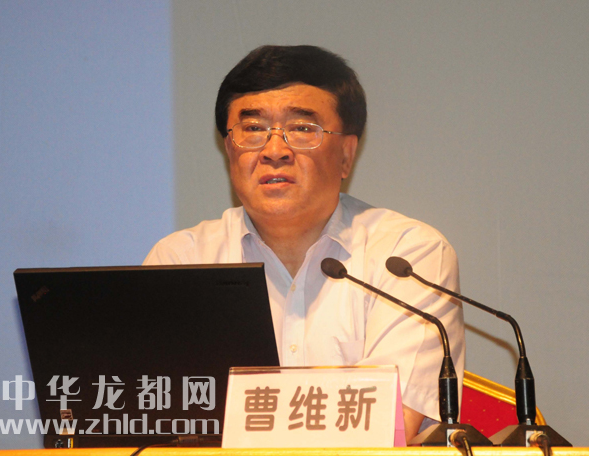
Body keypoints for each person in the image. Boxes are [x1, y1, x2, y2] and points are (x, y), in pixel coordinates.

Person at [144, 45, 464, 442]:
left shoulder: (407, 255)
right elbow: (155, 425)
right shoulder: (182, 260)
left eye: (301, 129)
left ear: (346, 155)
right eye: (253, 129)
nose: (274, 151)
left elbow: (386, 424)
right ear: (229, 149)